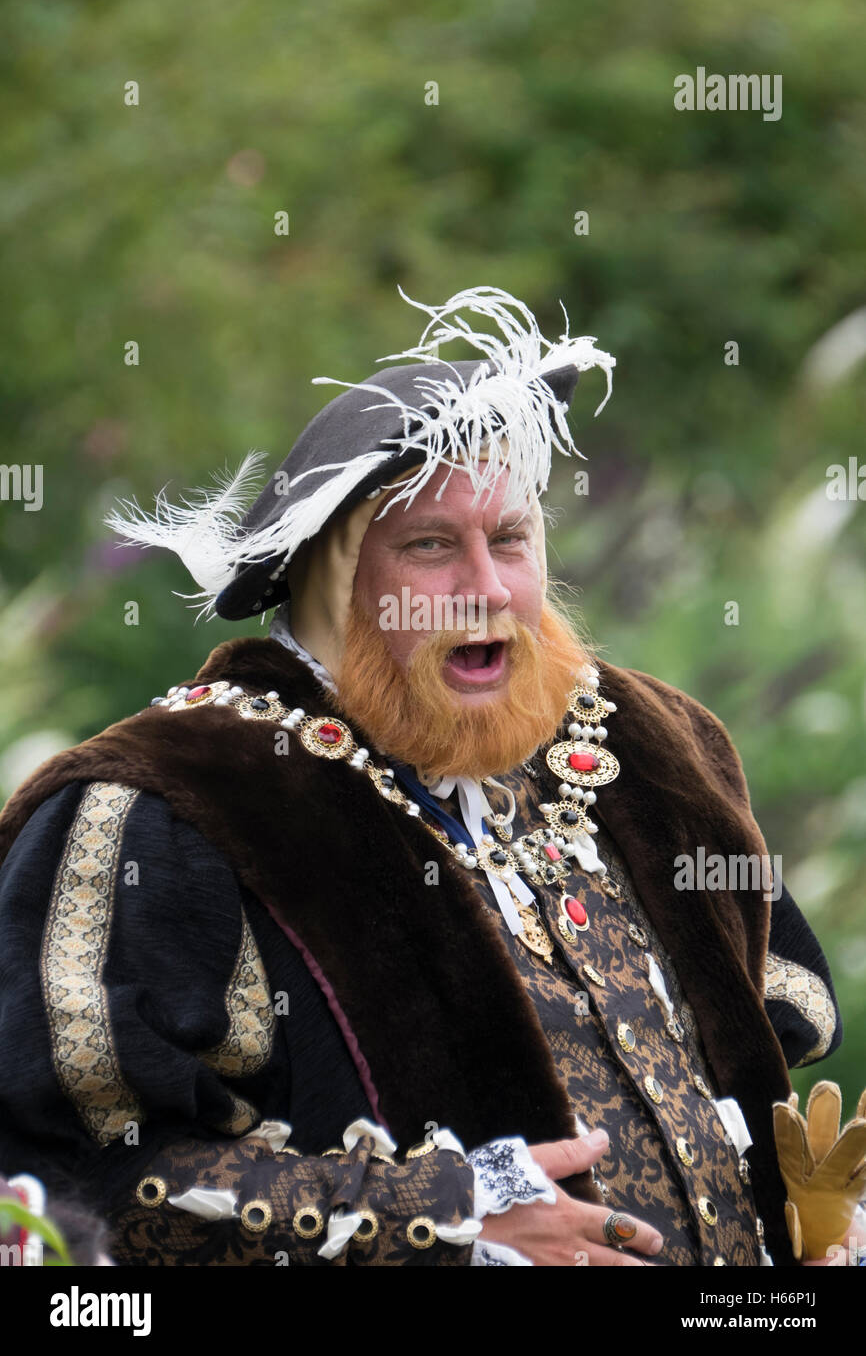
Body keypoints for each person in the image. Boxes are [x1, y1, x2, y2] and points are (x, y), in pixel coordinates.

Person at [0, 287, 849, 1267]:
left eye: (510, 540)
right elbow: (84, 1177)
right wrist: (434, 1219)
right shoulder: (166, 807)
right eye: (431, 547)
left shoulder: (651, 748)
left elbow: (760, 1050)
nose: (487, 589)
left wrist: (805, 1216)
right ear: (333, 576)